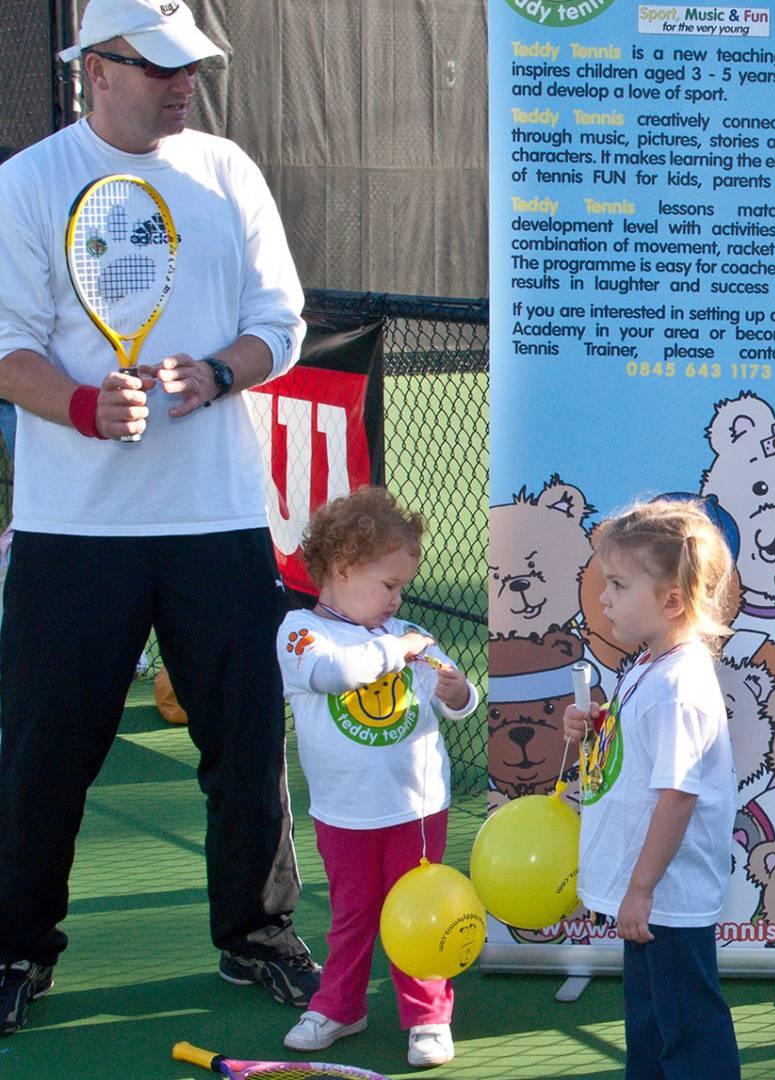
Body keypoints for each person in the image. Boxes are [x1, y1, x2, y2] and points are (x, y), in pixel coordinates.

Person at [0, 0, 313, 1035]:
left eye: (192, 67)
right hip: (71, 531)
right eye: (158, 67)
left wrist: (222, 372)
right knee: (43, 754)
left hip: (217, 520)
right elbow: (9, 351)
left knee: (244, 741)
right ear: (96, 68)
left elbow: (281, 323)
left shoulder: (230, 173)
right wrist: (84, 405)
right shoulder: (29, 183)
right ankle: (15, 947)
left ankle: (258, 936)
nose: (183, 84)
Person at [277, 488, 476, 1068]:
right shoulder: (300, 634)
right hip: (344, 812)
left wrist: (458, 692)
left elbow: (460, 696)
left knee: (420, 912)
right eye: (388, 585)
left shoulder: (409, 634)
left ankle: (428, 1016)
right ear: (342, 569)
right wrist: (401, 649)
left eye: (401, 588)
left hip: (416, 809)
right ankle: (340, 1006)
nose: (397, 599)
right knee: (353, 913)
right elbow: (336, 674)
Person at [563, 499, 742, 1080]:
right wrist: (596, 727)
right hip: (649, 896)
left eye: (617, 584)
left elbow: (677, 797)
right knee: (649, 1021)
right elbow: (639, 760)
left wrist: (640, 889)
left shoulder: (678, 686)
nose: (605, 597)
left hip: (666, 897)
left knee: (688, 1028)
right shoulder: (649, 665)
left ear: (671, 601)